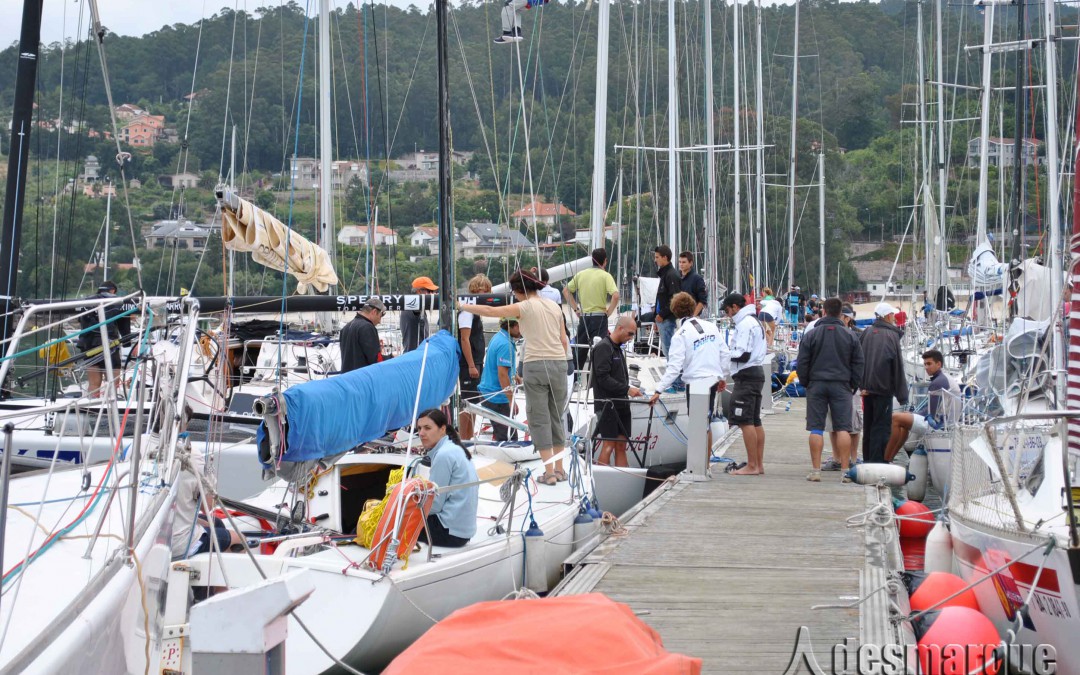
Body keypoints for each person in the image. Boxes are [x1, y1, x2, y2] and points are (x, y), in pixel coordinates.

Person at [458, 269, 570, 486]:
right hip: (559, 363)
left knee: (539, 419)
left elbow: (490, 310)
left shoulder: (524, 306)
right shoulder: (554, 306)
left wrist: (463, 305)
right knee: (557, 416)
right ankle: (560, 469)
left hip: (536, 364)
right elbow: (563, 339)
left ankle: (549, 473)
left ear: (518, 290)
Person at [649, 293, 729, 462]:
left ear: (675, 312)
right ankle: (705, 465)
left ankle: (699, 465)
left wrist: (658, 390)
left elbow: (674, 367)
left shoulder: (680, 335)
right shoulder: (711, 327)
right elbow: (725, 352)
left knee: (697, 423)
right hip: (712, 380)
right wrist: (722, 376)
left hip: (695, 383)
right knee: (705, 422)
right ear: (693, 307)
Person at [797, 298, 864, 482]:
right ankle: (844, 471)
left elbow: (802, 362)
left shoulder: (811, 334)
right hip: (842, 384)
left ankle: (816, 470)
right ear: (841, 314)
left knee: (816, 428)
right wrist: (853, 384)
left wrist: (806, 382)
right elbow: (858, 363)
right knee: (843, 427)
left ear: (824, 311)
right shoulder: (850, 335)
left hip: (816, 384)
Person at [416, 409, 478, 548]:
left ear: (442, 429)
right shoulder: (455, 448)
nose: (421, 433)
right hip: (463, 530)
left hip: (448, 532)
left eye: (427, 428)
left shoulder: (443, 455)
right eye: (419, 428)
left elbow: (435, 505)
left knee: (394, 521)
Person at [721, 292, 768, 476]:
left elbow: (743, 354)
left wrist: (724, 353)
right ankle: (758, 464)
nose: (727, 314)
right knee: (755, 420)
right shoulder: (754, 321)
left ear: (735, 307)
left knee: (744, 421)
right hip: (755, 373)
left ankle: (752, 465)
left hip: (746, 375)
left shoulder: (745, 323)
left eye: (727, 310)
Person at [882, 349, 955, 462]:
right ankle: (890, 459)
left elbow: (931, 412)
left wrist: (912, 414)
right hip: (945, 422)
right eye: (925, 364)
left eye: (929, 363)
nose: (926, 367)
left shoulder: (937, 382)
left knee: (895, 418)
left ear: (939, 364)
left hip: (937, 425)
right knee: (903, 422)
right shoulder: (944, 378)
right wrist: (912, 414)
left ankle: (886, 459)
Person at [860, 302, 909, 464]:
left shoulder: (867, 332)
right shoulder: (891, 336)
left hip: (866, 388)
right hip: (882, 388)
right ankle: (877, 462)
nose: (894, 318)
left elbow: (858, 360)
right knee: (881, 427)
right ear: (888, 316)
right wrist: (903, 396)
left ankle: (867, 460)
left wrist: (860, 385)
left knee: (868, 426)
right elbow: (897, 367)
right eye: (893, 315)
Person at [171, 450, 242, 560]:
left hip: (149, 535)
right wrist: (210, 477)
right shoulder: (191, 455)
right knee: (239, 540)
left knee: (216, 523)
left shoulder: (140, 445)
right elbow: (208, 506)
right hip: (177, 543)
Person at [592, 316, 643, 467]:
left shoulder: (618, 349)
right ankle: (601, 481)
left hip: (622, 404)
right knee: (609, 444)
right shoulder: (603, 347)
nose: (631, 338)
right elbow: (602, 378)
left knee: (621, 445)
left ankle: (621, 481)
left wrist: (628, 390)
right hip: (607, 404)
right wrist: (627, 389)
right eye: (630, 334)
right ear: (620, 328)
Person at [564, 248, 619, 370]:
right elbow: (615, 296)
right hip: (600, 318)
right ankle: (595, 382)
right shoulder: (606, 276)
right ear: (605, 261)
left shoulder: (581, 274)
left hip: (584, 318)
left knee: (580, 350)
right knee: (599, 351)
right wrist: (609, 312)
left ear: (592, 260)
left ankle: (574, 380)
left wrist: (576, 309)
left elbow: (566, 291)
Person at [824, 304, 864, 469]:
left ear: (848, 318)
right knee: (833, 424)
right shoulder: (830, 334)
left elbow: (860, 362)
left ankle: (853, 458)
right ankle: (837, 458)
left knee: (853, 424)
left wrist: (857, 384)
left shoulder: (857, 335)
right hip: (833, 383)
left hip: (850, 385)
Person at [78, 280, 131, 398]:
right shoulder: (117, 302)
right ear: (112, 291)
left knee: (93, 383)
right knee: (112, 381)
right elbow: (124, 324)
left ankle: (92, 405)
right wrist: (127, 343)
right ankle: (111, 405)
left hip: (88, 345)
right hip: (109, 343)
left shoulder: (86, 302)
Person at [459, 274, 493, 440]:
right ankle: (464, 439)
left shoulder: (475, 312)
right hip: (468, 364)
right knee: (468, 402)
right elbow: (464, 338)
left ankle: (469, 437)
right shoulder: (467, 312)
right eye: (480, 292)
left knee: (473, 402)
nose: (483, 295)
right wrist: (471, 365)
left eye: (485, 292)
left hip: (476, 361)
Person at [477, 319, 522, 442]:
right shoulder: (505, 345)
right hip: (496, 398)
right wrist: (512, 402)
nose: (522, 331)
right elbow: (502, 375)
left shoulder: (498, 336)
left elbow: (503, 367)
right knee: (509, 439)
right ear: (512, 326)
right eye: (520, 327)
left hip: (487, 393)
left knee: (506, 434)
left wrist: (516, 375)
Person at [652, 245, 683, 359]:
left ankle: (675, 377)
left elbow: (674, 299)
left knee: (670, 352)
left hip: (668, 320)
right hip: (662, 319)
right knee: (666, 351)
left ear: (665, 257)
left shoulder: (671, 275)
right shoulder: (665, 274)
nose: (655, 260)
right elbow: (660, 298)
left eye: (657, 257)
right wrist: (656, 317)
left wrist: (662, 314)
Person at [340, 298, 386, 373]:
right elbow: (376, 360)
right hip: (362, 379)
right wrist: (391, 357)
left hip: (346, 377)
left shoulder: (346, 328)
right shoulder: (367, 327)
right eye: (380, 316)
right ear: (374, 312)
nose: (379, 321)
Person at [401, 276, 438, 353]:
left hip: (417, 354)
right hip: (414, 356)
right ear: (419, 292)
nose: (433, 294)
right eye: (430, 291)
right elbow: (416, 310)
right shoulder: (412, 307)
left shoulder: (418, 307)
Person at [678, 251, 707, 317]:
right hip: (678, 317)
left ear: (690, 263)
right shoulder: (676, 277)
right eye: (680, 262)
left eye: (684, 262)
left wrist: (693, 315)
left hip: (693, 317)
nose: (681, 264)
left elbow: (702, 300)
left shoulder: (697, 279)